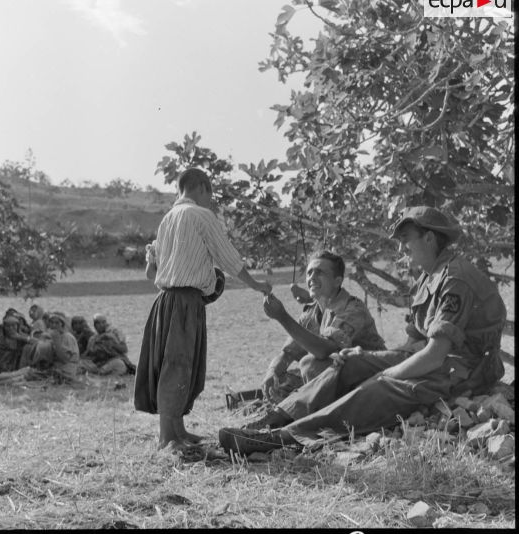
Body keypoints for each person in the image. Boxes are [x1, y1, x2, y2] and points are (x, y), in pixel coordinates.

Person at [219, 206, 508, 455]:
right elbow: (414, 341)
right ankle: (275, 419)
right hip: (437, 360)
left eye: (406, 240)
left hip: (463, 370)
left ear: (429, 238)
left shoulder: (455, 278)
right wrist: (369, 356)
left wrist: (387, 371)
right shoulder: (428, 277)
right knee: (349, 363)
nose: (401, 249)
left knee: (379, 385)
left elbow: (435, 355)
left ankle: (285, 438)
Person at [134, 167, 272, 451]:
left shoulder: (167, 219)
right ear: (202, 188)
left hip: (167, 301)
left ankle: (178, 431)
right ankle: (167, 438)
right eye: (211, 195)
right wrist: (257, 285)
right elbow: (229, 258)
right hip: (184, 301)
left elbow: (151, 273)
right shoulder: (200, 215)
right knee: (178, 366)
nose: (211, 201)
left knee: (178, 364)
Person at [258, 251, 385, 409]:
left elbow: (323, 350)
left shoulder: (352, 308)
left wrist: (282, 317)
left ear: (337, 281)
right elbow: (288, 353)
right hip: (337, 378)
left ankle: (298, 411)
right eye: (309, 272)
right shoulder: (312, 312)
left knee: (311, 365)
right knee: (281, 380)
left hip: (371, 379)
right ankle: (289, 408)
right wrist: (272, 372)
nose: (311, 277)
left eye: (320, 272)